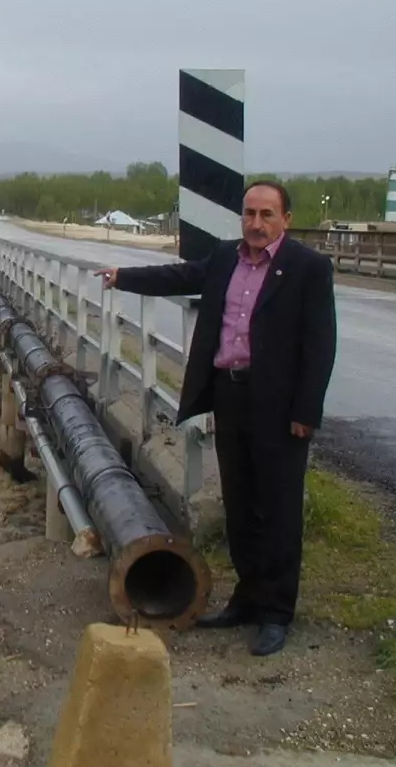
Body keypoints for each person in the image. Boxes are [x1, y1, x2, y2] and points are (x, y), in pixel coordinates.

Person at [94, 181, 337, 656]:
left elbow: (320, 345)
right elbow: (180, 277)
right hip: (231, 396)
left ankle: (276, 612)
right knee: (240, 504)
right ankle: (246, 600)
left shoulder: (308, 268)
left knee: (279, 510)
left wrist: (306, 411)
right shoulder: (228, 258)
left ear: (286, 219)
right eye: (250, 213)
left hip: (280, 408)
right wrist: (123, 276)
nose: (257, 223)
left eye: (268, 214)